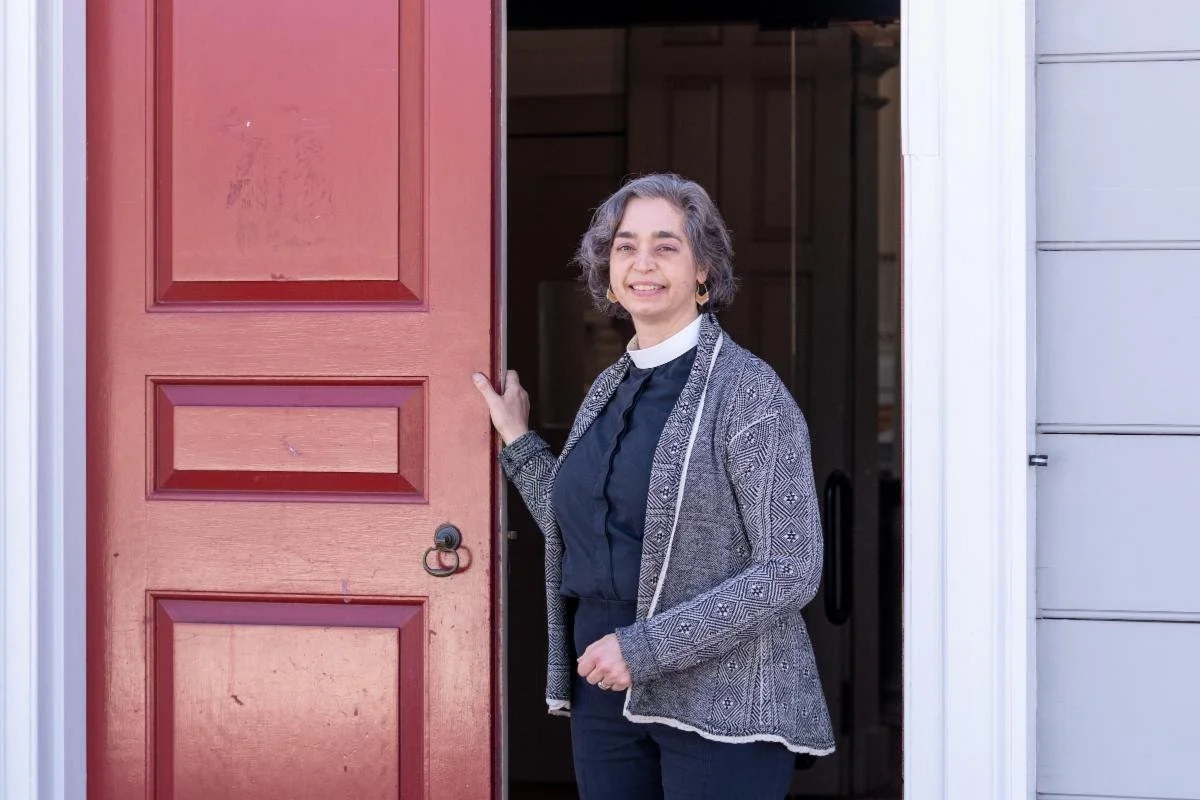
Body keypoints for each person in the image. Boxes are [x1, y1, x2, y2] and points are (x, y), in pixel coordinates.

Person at [473, 173, 834, 799]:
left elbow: (791, 569)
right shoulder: (607, 388)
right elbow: (583, 527)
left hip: (727, 700)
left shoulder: (750, 394)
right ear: (608, 271)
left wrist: (643, 649)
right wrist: (519, 441)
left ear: (703, 269)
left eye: (666, 246)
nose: (643, 263)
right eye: (625, 247)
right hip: (604, 683)